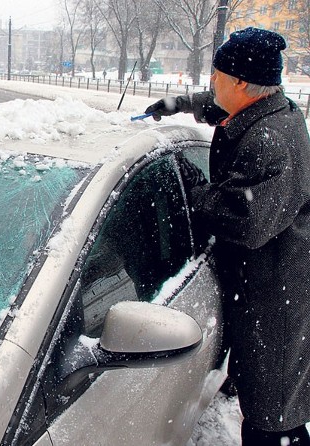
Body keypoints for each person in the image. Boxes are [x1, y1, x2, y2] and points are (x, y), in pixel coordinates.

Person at [145, 27, 310, 445]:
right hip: (264, 282)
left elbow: (245, 218)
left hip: (276, 296)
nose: (211, 83)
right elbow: (219, 108)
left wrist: (190, 185)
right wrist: (177, 104)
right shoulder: (264, 110)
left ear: (240, 82)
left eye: (216, 75)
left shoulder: (272, 142)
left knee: (272, 416)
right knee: (266, 397)